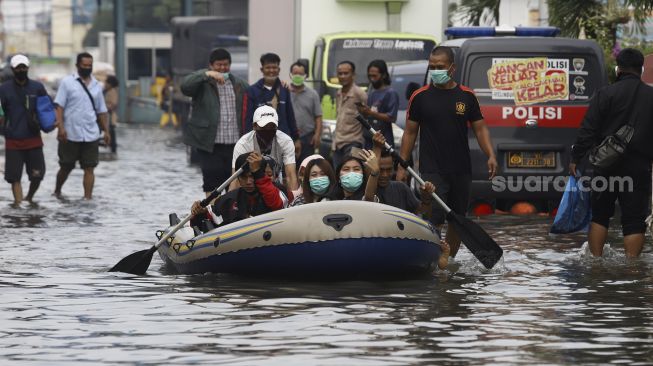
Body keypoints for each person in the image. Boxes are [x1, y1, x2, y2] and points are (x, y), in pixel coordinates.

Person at [397, 46, 498, 258]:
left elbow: (480, 128)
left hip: (461, 169)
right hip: (432, 169)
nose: (435, 71)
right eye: (431, 67)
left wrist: (490, 154)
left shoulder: (467, 96)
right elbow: (409, 133)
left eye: (440, 67)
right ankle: (431, 257)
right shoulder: (420, 97)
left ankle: (448, 260)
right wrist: (402, 165)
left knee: (457, 218)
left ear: (452, 68)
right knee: (435, 217)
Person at [570, 48, 653, 258]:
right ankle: (633, 268)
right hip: (639, 167)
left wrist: (575, 158)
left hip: (605, 166)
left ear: (618, 69)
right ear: (641, 69)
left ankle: (596, 265)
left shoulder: (605, 94)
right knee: (634, 220)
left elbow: (588, 130)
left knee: (600, 215)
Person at [181, 48, 249, 196]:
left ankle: (232, 213)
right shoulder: (202, 84)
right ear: (211, 65)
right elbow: (185, 86)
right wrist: (205, 74)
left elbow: (254, 96)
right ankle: (213, 213)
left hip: (234, 144)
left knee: (235, 181)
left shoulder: (239, 84)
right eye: (218, 65)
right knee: (211, 181)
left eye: (225, 65)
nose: (222, 68)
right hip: (209, 144)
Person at [53, 52, 110, 200]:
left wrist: (106, 131)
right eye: (84, 65)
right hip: (70, 133)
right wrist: (61, 128)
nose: (87, 68)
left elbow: (102, 111)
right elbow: (59, 106)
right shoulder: (67, 83)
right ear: (77, 65)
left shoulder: (97, 85)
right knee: (66, 166)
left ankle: (87, 198)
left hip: (91, 133)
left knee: (89, 167)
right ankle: (57, 191)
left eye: (89, 65)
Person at [191, 152, 290, 228]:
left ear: (261, 174)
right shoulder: (227, 200)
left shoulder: (278, 190)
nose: (248, 182)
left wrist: (258, 173)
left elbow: (278, 205)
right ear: (238, 177)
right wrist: (200, 213)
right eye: (243, 177)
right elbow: (208, 223)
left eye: (252, 176)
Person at [0, 54, 49, 205]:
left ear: (28, 68)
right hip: (13, 140)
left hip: (33, 138)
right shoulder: (3, 89)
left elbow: (46, 109)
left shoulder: (38, 87)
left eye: (24, 67)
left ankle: (29, 197)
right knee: (14, 177)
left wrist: (53, 124)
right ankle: (18, 204)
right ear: (13, 69)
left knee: (37, 175)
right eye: (18, 67)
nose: (21, 70)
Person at [232, 105, 298, 190]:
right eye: (264, 127)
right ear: (254, 126)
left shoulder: (285, 141)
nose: (268, 130)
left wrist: (295, 201)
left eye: (272, 127)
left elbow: (290, 176)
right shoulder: (243, 144)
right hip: (251, 187)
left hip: (275, 186)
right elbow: (236, 178)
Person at [371, 132, 435, 217]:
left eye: (389, 169)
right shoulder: (364, 189)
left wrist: (426, 200)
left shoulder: (401, 188)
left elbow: (424, 216)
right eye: (380, 170)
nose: (385, 175)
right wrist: (376, 148)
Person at [245, 53, 300, 148]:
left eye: (274, 67)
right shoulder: (252, 91)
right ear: (262, 69)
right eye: (268, 67)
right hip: (261, 143)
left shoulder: (284, 89)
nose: (271, 71)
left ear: (279, 70)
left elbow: (290, 116)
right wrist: (249, 142)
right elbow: (249, 120)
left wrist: (296, 139)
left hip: (284, 142)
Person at [332, 60, 367, 170]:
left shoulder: (360, 94)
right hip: (337, 143)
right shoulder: (338, 93)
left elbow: (366, 118)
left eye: (346, 73)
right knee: (338, 175)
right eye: (340, 73)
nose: (342, 76)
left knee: (354, 174)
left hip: (354, 143)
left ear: (353, 75)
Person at [358, 60, 399, 149]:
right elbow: (369, 114)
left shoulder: (390, 93)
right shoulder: (372, 93)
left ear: (383, 75)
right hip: (369, 140)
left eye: (374, 76)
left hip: (384, 141)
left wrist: (371, 113)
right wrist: (363, 111)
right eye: (370, 76)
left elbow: (392, 117)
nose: (371, 78)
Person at [289, 60, 323, 164]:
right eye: (295, 73)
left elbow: (318, 116)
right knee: (289, 167)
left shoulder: (313, 94)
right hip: (288, 137)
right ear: (290, 75)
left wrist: (317, 135)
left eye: (301, 74)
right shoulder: (284, 92)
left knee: (307, 167)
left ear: (306, 76)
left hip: (308, 138)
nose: (297, 76)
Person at [103, 75, 119, 156]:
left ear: (110, 84)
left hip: (110, 117)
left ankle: (113, 150)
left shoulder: (112, 92)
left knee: (112, 133)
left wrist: (104, 107)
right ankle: (112, 149)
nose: (105, 84)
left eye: (106, 83)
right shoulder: (107, 91)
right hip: (107, 116)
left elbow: (113, 104)